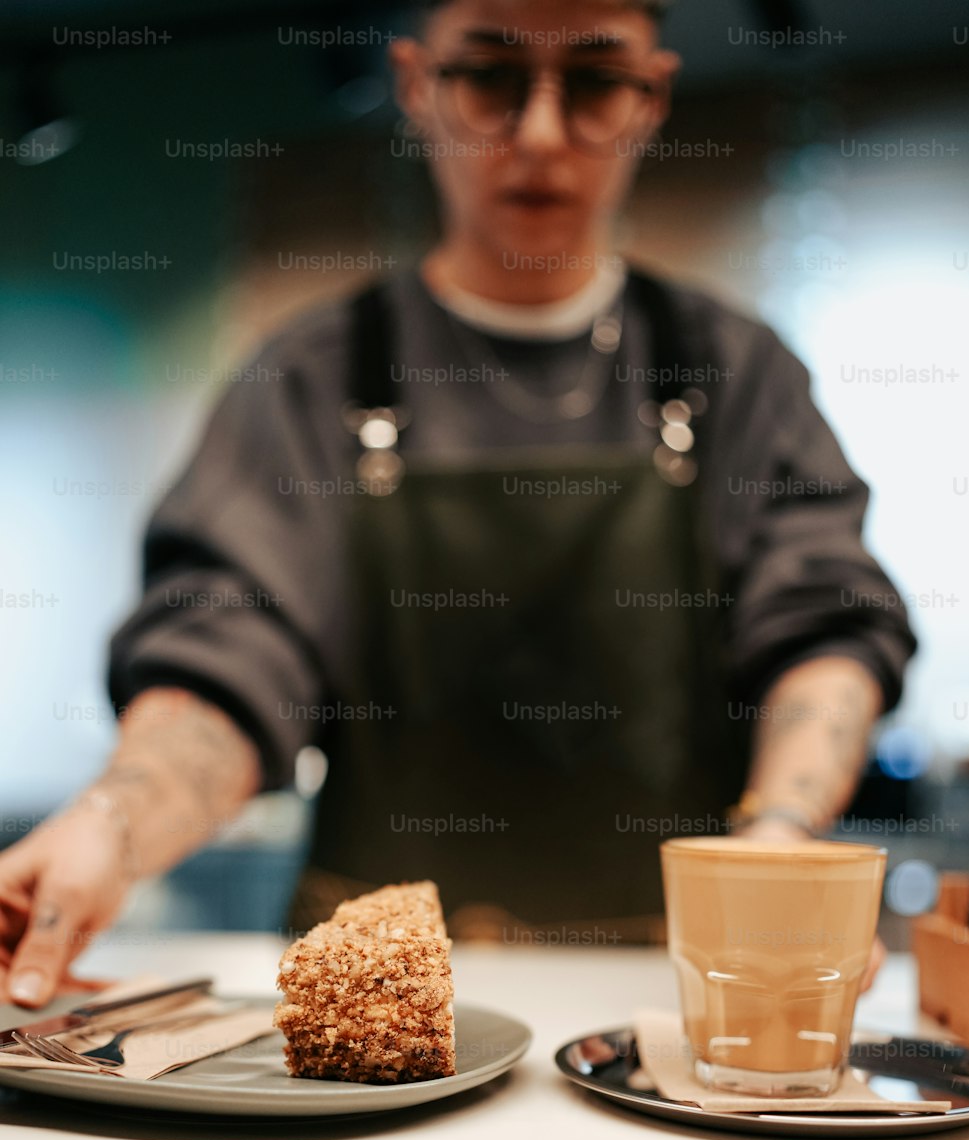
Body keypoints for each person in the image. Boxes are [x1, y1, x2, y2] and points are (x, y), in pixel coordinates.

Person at [0, 0, 915, 1007]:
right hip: (363, 1021)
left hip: (670, 1000)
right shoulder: (310, 381)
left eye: (595, 83)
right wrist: (113, 826)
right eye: (489, 75)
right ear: (414, 86)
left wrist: (779, 838)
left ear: (651, 95)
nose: (537, 134)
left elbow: (820, 627)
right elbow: (226, 656)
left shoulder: (734, 371)